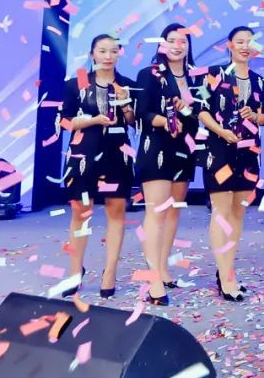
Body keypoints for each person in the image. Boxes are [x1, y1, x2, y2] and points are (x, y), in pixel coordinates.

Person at [59, 34, 136, 300]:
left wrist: (125, 103)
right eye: (102, 51)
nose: (108, 56)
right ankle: (74, 271)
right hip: (84, 154)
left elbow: (134, 121)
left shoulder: (127, 84)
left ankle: (109, 272)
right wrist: (93, 120)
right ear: (92, 54)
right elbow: (65, 122)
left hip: (117, 154)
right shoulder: (76, 83)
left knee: (116, 211)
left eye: (113, 51)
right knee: (81, 212)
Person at [197, 26, 264, 302]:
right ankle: (227, 278)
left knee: (237, 213)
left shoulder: (260, 80)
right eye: (240, 42)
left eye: (250, 42)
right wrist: (221, 131)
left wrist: (256, 116)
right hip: (219, 148)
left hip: (249, 151)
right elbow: (201, 111)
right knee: (221, 211)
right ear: (229, 45)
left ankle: (226, 271)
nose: (245, 46)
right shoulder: (214, 74)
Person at [134, 23, 200, 306]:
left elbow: (201, 112)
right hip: (156, 146)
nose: (177, 46)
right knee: (157, 212)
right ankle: (153, 279)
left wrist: (187, 114)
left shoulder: (196, 76)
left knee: (173, 212)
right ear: (162, 44)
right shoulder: (149, 74)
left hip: (184, 148)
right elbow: (142, 112)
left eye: (183, 41)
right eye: (171, 40)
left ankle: (162, 267)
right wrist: (165, 121)